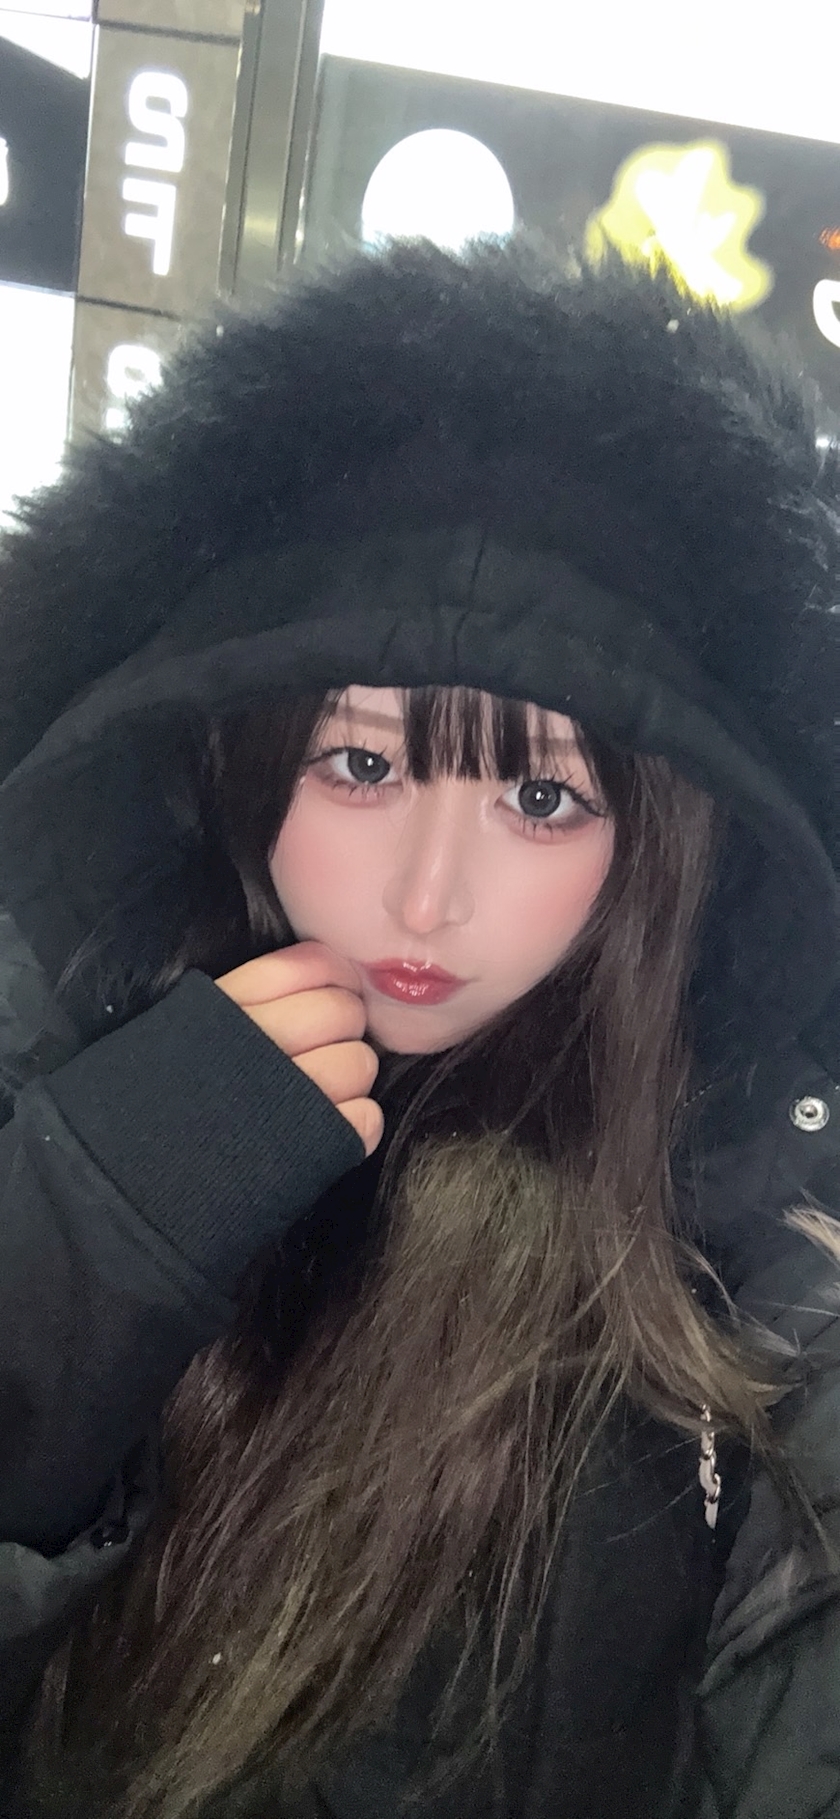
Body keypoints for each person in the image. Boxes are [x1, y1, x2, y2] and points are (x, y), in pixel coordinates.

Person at [0, 236, 837, 1819]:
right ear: (236, 761)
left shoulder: (765, 1254)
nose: (429, 899)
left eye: (542, 797)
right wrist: (83, 1237)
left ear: (661, 841)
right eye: (365, 766)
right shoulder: (55, 1053)